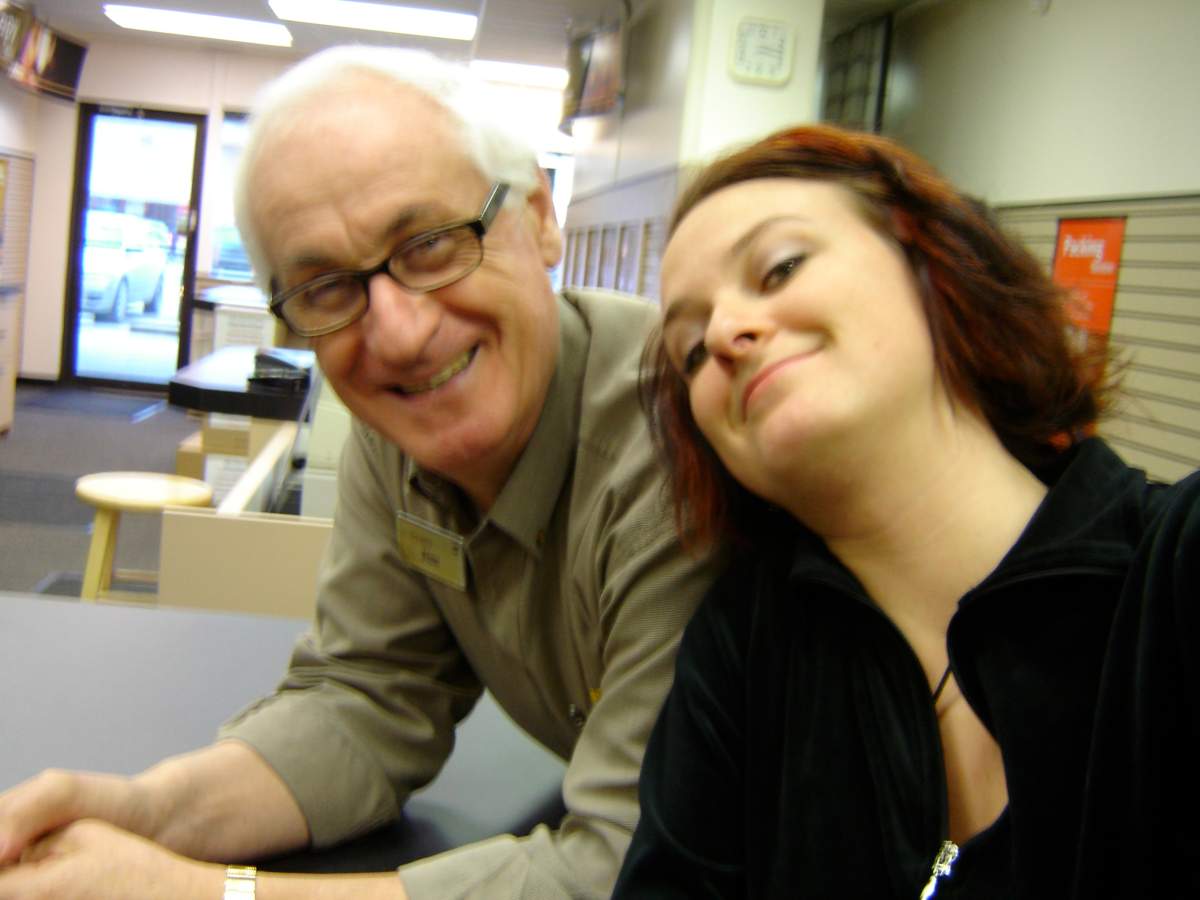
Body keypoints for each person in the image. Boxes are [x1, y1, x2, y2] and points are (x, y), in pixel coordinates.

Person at [0, 47, 720, 900]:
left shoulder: (679, 448)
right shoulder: (405, 422)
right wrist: (137, 813)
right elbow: (368, 698)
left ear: (538, 212)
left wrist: (201, 893)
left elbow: (631, 873)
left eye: (429, 244)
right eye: (327, 288)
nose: (401, 334)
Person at [611, 124, 1200, 898]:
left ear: (932, 265)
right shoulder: (741, 653)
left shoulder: (1170, 580)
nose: (723, 334)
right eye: (690, 350)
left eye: (780, 266)